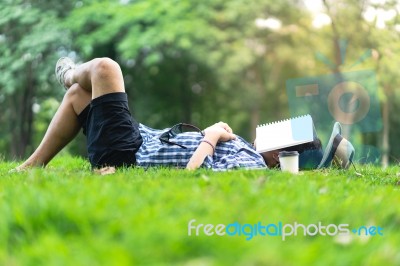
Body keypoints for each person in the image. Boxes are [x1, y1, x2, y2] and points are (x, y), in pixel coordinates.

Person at [15, 57, 323, 173]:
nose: (273, 128)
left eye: (281, 134)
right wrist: (212, 135)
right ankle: (31, 166)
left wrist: (213, 134)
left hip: (127, 154)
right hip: (139, 139)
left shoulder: (253, 165)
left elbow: (195, 171)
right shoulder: (248, 150)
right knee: (79, 96)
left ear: (282, 156)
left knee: (105, 69)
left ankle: (68, 74)